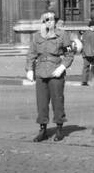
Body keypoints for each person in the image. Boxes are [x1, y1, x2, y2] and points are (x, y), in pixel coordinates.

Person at [25, 11, 75, 142]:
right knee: (41, 103)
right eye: (46, 20)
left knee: (57, 102)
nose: (49, 22)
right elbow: (31, 54)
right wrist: (29, 69)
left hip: (55, 72)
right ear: (43, 22)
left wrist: (62, 67)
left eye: (51, 20)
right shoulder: (37, 36)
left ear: (55, 21)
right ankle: (43, 130)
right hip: (41, 72)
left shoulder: (63, 35)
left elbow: (69, 54)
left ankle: (59, 129)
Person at [79, 20, 94, 87]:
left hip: (85, 53)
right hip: (91, 54)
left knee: (85, 67)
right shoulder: (92, 34)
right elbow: (93, 45)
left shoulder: (85, 33)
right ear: (93, 26)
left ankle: (84, 81)